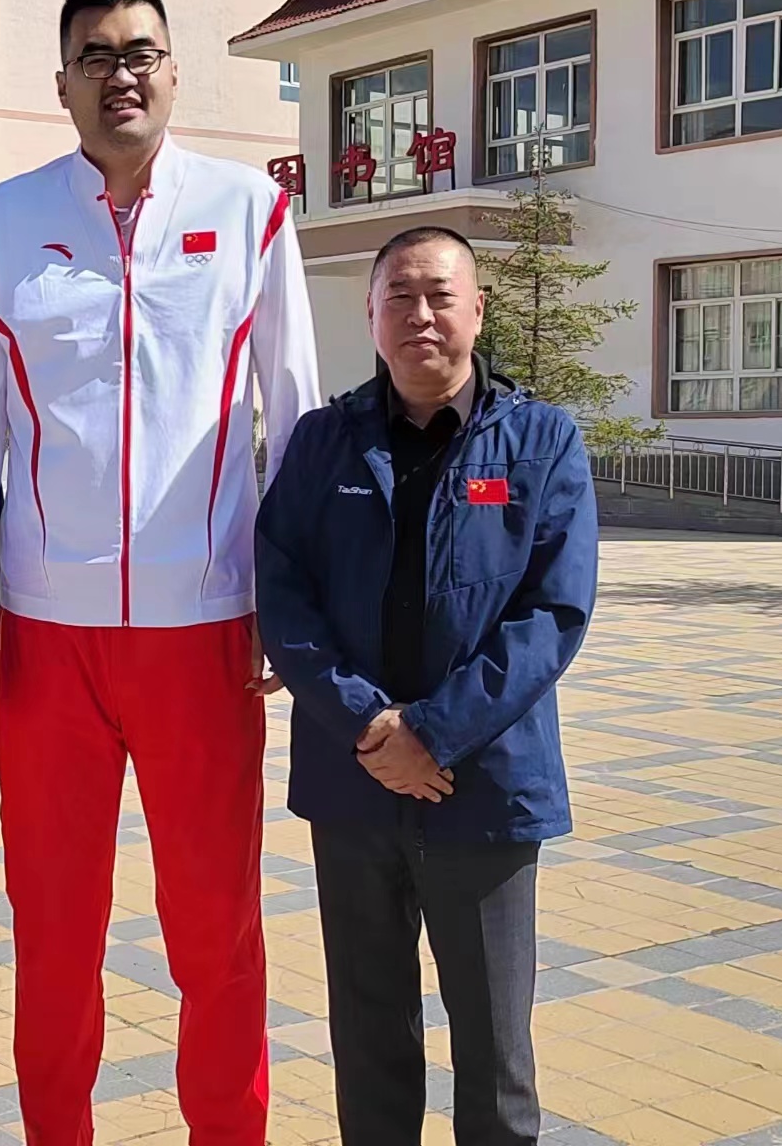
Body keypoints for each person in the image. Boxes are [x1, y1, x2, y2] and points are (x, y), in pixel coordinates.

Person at [0, 0, 321, 1145]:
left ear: (173, 72)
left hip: (205, 626)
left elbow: (293, 413)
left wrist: (289, 599)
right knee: (53, 927)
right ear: (62, 83)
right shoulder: (2, 223)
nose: (121, 75)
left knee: (215, 927)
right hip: (48, 634)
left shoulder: (248, 211)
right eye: (96, 57)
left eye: (139, 52)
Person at [255, 227, 597, 1146]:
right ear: (371, 315)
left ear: (476, 310)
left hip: (483, 788)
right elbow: (282, 595)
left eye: (440, 295)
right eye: (398, 297)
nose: (421, 315)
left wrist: (433, 734)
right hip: (354, 783)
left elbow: (552, 613)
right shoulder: (325, 441)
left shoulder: (540, 442)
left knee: (494, 1044)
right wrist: (371, 726)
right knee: (369, 1032)